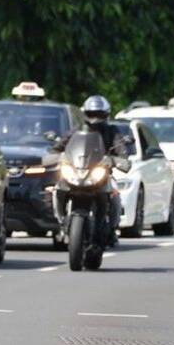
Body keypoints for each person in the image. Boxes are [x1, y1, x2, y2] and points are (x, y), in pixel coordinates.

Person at [55, 95, 128, 247]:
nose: (95, 118)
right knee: (57, 187)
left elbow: (121, 150)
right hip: (78, 172)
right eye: (92, 114)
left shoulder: (112, 131)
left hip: (101, 173)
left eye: (99, 115)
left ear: (106, 115)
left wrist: (117, 159)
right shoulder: (77, 131)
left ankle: (112, 229)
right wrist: (56, 153)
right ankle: (61, 221)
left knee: (114, 192)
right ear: (85, 114)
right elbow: (61, 145)